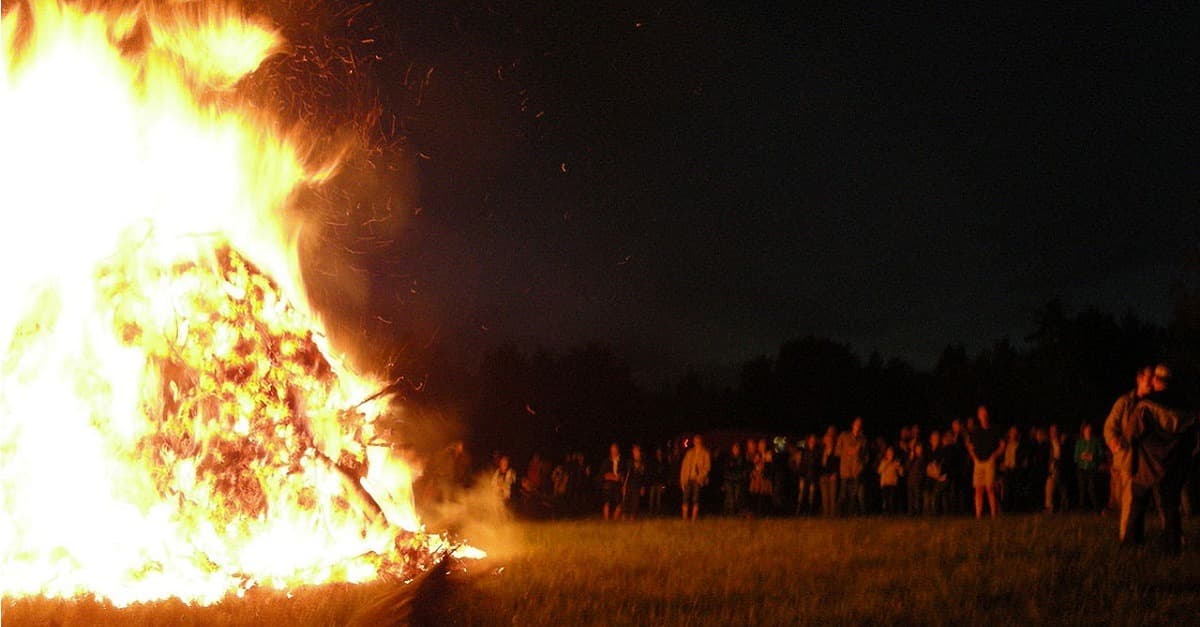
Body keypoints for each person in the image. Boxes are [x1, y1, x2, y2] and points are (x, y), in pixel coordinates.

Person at [1127, 364, 1196, 553]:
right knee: (1171, 506)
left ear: (1156, 380)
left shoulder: (1145, 406)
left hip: (1148, 465)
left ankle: (1133, 544)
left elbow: (1131, 433)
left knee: (1138, 503)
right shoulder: (1188, 407)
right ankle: (1172, 547)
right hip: (1174, 466)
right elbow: (1193, 440)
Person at [1103, 365, 1154, 543]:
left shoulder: (1154, 404)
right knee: (1128, 502)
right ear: (1139, 379)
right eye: (1149, 377)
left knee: (1137, 504)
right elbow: (1110, 427)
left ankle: (1133, 538)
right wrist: (1114, 442)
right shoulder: (1125, 402)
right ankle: (1127, 539)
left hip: (1147, 462)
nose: (1152, 380)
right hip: (1127, 460)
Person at [965, 405, 1005, 519]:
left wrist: (994, 456)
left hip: (989, 462)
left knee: (990, 488)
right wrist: (974, 457)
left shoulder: (994, 429)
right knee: (978, 489)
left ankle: (993, 514)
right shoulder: (975, 431)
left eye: (985, 413)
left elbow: (1002, 445)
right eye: (981, 413)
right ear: (978, 416)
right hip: (978, 462)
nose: (983, 415)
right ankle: (978, 515)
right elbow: (969, 445)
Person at [836, 417, 868, 516]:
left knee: (853, 494)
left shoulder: (863, 440)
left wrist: (862, 465)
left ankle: (850, 514)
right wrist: (848, 452)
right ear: (852, 425)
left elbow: (866, 456)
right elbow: (837, 451)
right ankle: (839, 514)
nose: (858, 426)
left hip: (856, 471)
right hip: (845, 470)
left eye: (860, 424)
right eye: (856, 424)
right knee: (843, 494)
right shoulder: (844, 436)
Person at [1074, 422, 1106, 513]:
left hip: (1092, 469)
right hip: (1081, 469)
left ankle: (1097, 508)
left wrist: (1093, 457)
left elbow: (1101, 454)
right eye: (1087, 429)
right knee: (1082, 489)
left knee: (1091, 488)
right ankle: (1082, 509)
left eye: (1090, 429)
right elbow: (1075, 458)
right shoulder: (1080, 442)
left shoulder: (1096, 441)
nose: (1088, 431)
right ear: (1083, 431)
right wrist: (1082, 456)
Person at [679, 434, 712, 521]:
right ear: (693, 442)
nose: (697, 443)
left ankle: (694, 518)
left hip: (698, 479)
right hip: (688, 479)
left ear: (701, 442)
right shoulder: (689, 453)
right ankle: (685, 518)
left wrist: (701, 476)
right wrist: (682, 481)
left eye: (699, 441)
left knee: (695, 498)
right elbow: (684, 467)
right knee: (685, 498)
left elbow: (707, 467)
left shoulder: (705, 453)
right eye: (695, 441)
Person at [598, 443, 627, 520]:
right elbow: (603, 475)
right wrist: (612, 477)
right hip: (608, 484)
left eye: (615, 450)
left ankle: (614, 520)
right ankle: (606, 520)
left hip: (618, 485)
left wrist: (622, 482)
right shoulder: (606, 461)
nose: (613, 451)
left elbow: (623, 474)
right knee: (606, 502)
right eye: (612, 450)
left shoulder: (622, 462)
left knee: (619, 504)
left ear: (617, 450)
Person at [722, 442, 750, 515]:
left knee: (737, 497)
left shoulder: (742, 459)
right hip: (729, 480)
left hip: (738, 480)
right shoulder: (728, 459)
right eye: (734, 448)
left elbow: (744, 469)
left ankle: (736, 511)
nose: (736, 450)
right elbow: (726, 470)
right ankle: (730, 513)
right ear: (732, 449)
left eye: (737, 449)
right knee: (730, 497)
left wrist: (741, 476)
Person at [624, 444, 649, 520]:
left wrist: (643, 487)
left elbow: (644, 476)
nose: (635, 452)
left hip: (638, 485)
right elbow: (627, 474)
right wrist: (624, 486)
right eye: (634, 451)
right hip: (630, 484)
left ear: (639, 452)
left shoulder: (643, 462)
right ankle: (625, 516)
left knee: (636, 501)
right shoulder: (630, 462)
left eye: (636, 451)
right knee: (627, 500)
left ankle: (633, 517)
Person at [878, 445, 903, 514]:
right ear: (886, 454)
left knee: (892, 499)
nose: (890, 454)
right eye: (888, 453)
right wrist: (887, 463)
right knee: (885, 499)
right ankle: (886, 512)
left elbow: (901, 473)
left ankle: (892, 512)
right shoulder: (883, 461)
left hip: (892, 483)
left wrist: (899, 467)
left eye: (891, 453)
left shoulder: (896, 462)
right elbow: (879, 471)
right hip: (885, 483)